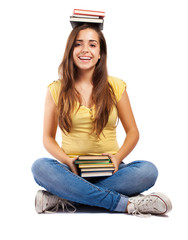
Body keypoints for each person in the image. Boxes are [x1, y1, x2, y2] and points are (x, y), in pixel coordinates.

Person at [31, 23, 172, 216]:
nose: (85, 50)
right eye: (78, 44)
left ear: (100, 53)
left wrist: (117, 159)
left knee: (148, 171)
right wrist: (68, 161)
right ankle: (125, 204)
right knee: (40, 167)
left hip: (111, 169)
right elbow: (48, 138)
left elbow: (133, 133)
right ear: (70, 50)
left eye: (92, 44)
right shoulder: (56, 89)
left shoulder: (116, 86)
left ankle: (65, 198)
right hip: (71, 171)